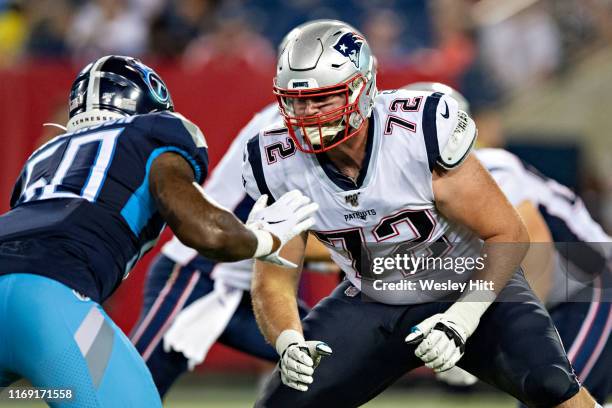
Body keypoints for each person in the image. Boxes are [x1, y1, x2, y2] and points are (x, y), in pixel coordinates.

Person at [244, 20, 600, 407]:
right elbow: (275, 274)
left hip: (465, 281)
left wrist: (464, 319)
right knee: (282, 402)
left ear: (362, 89)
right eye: (295, 101)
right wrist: (288, 339)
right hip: (373, 297)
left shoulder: (418, 131)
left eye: (322, 100)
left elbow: (508, 233)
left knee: (552, 387)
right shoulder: (276, 162)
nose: (306, 115)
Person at [0, 55, 317, 407]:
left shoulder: (41, 159)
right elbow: (206, 233)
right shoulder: (152, 133)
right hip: (50, 297)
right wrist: (264, 238)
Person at [406, 82, 612, 405]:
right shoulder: (417, 194)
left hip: (592, 285)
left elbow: (533, 244)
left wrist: (516, 335)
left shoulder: (489, 168)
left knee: (555, 398)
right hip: (564, 297)